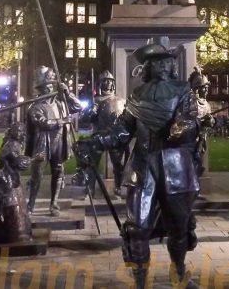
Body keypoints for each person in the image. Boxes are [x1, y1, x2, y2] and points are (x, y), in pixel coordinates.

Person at [78, 39, 200, 289]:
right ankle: (140, 281)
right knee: (137, 228)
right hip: (143, 167)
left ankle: (179, 272)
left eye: (162, 60)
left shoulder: (183, 90)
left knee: (178, 228)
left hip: (176, 167)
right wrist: (95, 142)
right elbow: (122, 131)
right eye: (152, 62)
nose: (158, 66)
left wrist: (183, 127)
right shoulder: (137, 95)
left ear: (170, 64)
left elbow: (189, 122)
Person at [26, 66, 82, 216]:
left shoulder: (61, 103)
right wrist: (62, 121)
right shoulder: (35, 107)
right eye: (46, 86)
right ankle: (30, 204)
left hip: (59, 142)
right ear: (41, 89)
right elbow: (42, 123)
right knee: (37, 175)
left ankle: (54, 203)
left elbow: (78, 106)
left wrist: (68, 93)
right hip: (42, 144)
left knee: (58, 172)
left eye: (51, 85)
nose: (49, 88)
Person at [76, 70, 127, 197]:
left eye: (110, 81)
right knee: (93, 165)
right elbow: (86, 118)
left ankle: (118, 188)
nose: (108, 84)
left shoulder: (121, 100)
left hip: (114, 137)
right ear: (101, 84)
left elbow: (126, 119)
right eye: (105, 81)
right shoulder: (96, 100)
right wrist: (92, 110)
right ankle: (90, 189)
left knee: (118, 164)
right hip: (99, 136)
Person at [188, 66, 214, 179]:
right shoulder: (190, 103)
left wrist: (211, 120)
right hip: (191, 139)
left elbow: (210, 121)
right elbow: (187, 120)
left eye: (207, 87)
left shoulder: (206, 104)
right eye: (204, 87)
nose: (207, 90)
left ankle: (196, 188)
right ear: (197, 89)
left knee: (199, 162)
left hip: (202, 138)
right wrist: (200, 121)